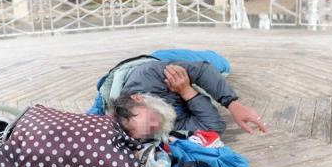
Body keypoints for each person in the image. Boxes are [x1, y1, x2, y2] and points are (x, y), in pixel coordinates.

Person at [109, 61, 267, 140]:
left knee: (221, 64)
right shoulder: (159, 128)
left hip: (157, 60)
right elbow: (213, 128)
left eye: (151, 118)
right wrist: (187, 91)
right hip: (184, 94)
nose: (156, 124)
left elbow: (203, 71)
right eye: (150, 130)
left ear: (138, 98)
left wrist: (233, 104)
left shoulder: (149, 75)